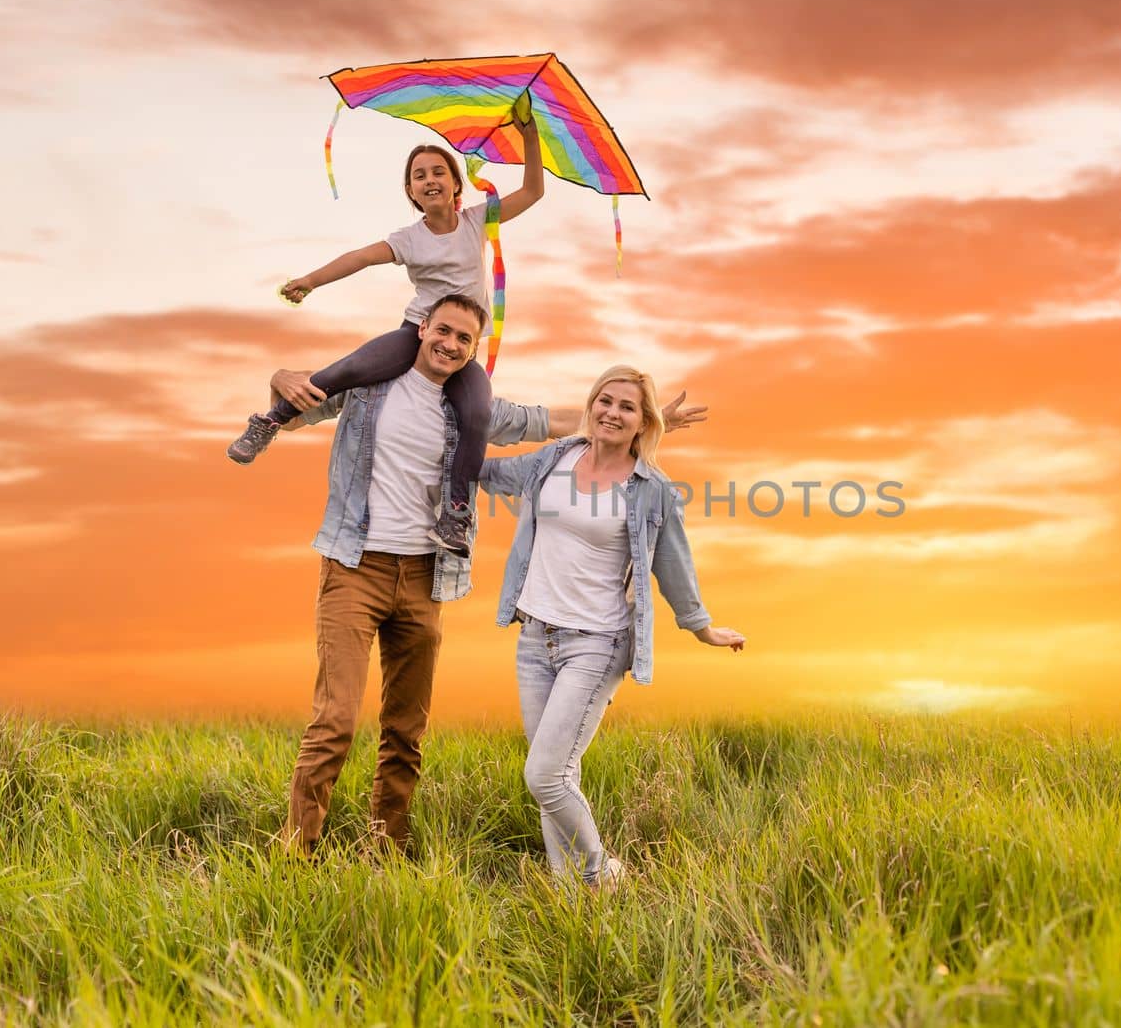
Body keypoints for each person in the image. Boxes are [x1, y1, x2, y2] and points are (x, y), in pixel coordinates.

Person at [278, 298, 705, 858]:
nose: (451, 344)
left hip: (427, 575)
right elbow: (297, 404)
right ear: (421, 328)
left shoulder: (471, 411)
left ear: (474, 351)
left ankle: (385, 850)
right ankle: (295, 854)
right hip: (355, 566)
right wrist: (280, 376)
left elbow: (547, 420)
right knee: (335, 721)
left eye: (465, 339)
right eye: (444, 331)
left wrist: (647, 425)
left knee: (406, 730)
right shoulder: (367, 387)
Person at [228, 110, 545, 559]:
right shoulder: (410, 239)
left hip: (461, 349)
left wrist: (529, 134)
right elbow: (360, 257)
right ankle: (269, 422)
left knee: (477, 415)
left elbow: (533, 191)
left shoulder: (477, 220)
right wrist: (310, 281)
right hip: (416, 334)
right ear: (412, 192)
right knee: (350, 370)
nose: (429, 179)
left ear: (457, 184)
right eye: (419, 176)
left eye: (439, 171)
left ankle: (455, 512)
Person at [479, 365, 745, 889]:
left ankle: (601, 874)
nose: (612, 412)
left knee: (545, 776)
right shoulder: (555, 459)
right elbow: (487, 473)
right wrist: (449, 435)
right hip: (536, 637)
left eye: (627, 407)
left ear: (644, 421)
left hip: (596, 644)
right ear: (591, 403)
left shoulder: (653, 490)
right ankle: (568, 892)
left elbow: (673, 566)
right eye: (605, 400)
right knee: (556, 774)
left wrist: (701, 627)